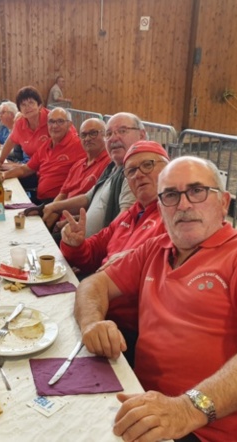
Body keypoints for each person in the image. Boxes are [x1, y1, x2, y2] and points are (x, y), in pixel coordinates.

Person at [74, 156, 237, 441]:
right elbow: (94, 283)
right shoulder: (156, 247)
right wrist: (92, 322)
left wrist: (186, 410)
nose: (184, 204)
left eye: (197, 191)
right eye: (171, 195)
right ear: (161, 206)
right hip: (140, 403)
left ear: (224, 202)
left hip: (210, 429)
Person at [61, 141, 169, 366]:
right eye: (131, 171)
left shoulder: (176, 217)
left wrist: (138, 261)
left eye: (147, 165)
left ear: (168, 169)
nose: (138, 175)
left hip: (129, 332)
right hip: (97, 310)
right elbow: (91, 255)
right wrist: (76, 244)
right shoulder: (131, 213)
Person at [41, 112, 144, 238]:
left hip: (91, 248)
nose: (113, 138)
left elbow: (122, 225)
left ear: (142, 135)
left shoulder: (135, 173)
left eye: (122, 131)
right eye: (109, 133)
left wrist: (85, 248)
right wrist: (51, 207)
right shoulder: (112, 167)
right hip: (77, 236)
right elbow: (88, 198)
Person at [0, 107, 85, 204]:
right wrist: (3, 175)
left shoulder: (79, 145)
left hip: (58, 203)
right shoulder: (46, 145)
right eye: (51, 122)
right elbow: (25, 169)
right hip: (40, 199)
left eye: (60, 121)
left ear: (69, 125)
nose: (55, 126)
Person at [43, 118, 111, 231]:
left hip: (77, 227)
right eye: (83, 135)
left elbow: (98, 207)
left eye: (93, 133)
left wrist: (64, 223)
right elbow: (63, 195)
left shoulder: (109, 165)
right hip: (60, 223)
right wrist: (48, 220)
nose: (88, 138)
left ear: (106, 135)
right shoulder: (77, 165)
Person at [0, 86, 50, 166]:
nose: (28, 107)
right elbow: (10, 141)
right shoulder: (20, 123)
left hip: (54, 167)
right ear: (20, 110)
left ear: (39, 105)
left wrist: (19, 167)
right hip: (34, 168)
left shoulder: (51, 119)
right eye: (23, 105)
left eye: (31, 103)